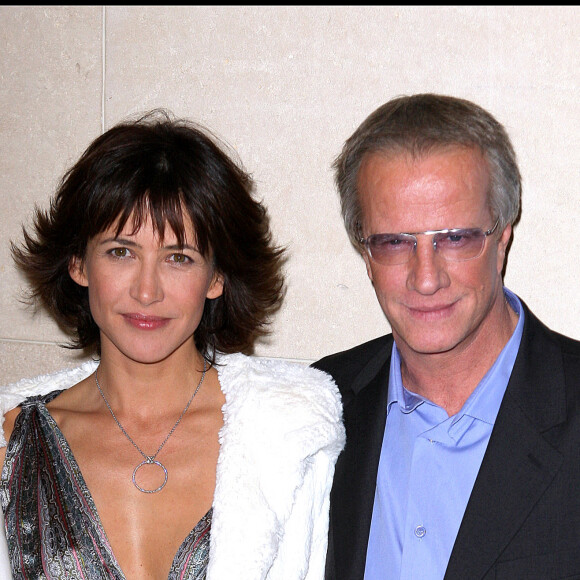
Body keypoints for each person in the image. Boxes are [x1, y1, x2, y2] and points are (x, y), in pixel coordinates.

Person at [0, 109, 345, 580]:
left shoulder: (288, 441)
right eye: (121, 252)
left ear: (217, 277)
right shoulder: (12, 445)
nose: (147, 291)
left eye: (178, 258)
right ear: (78, 264)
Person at [314, 93, 580, 579]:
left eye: (454, 238)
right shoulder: (314, 407)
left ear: (502, 239)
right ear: (365, 253)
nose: (426, 278)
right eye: (395, 242)